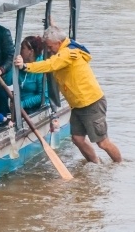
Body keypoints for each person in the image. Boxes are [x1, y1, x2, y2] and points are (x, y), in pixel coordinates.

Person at [14, 26, 122, 163]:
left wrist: (25, 66)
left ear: (59, 43)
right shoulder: (66, 45)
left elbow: (50, 65)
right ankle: (96, 163)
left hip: (91, 102)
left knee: (102, 142)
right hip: (77, 104)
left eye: (49, 46)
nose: (48, 50)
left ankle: (119, 165)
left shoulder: (66, 54)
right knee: (77, 139)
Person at [2, 35, 48, 112]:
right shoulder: (20, 64)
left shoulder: (41, 68)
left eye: (23, 48)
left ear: (31, 52)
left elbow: (42, 96)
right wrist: (14, 64)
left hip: (34, 108)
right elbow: (8, 82)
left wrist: (22, 104)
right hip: (18, 106)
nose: (20, 50)